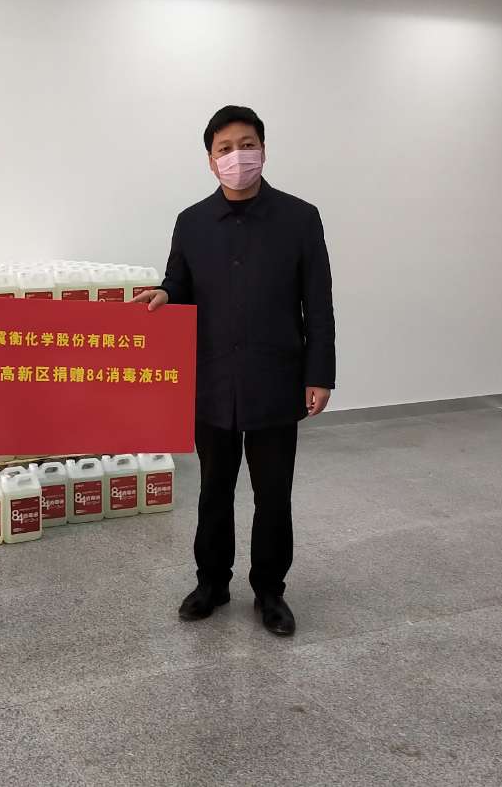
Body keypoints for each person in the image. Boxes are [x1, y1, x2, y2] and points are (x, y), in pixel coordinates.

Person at [133, 105, 335, 636]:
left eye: (247, 145)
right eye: (225, 149)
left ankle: (270, 591)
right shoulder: (192, 222)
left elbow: (318, 304)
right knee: (214, 492)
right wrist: (164, 294)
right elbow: (178, 283)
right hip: (213, 381)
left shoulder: (300, 218)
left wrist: (319, 374)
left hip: (276, 379)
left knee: (273, 496)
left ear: (263, 150)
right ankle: (211, 583)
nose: (237, 156)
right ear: (210, 160)